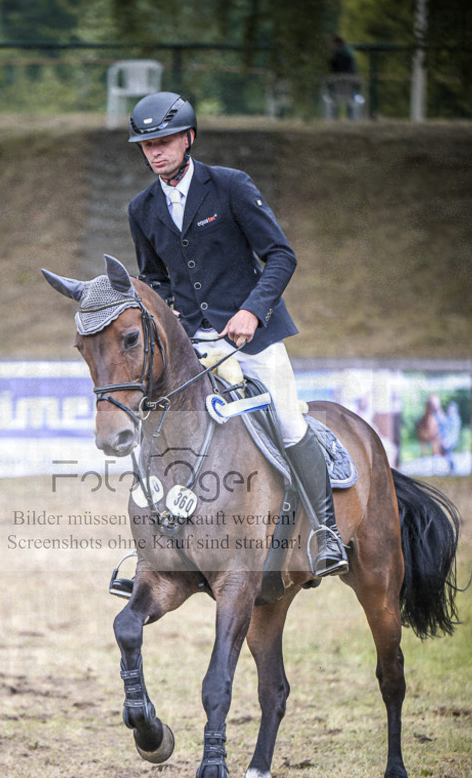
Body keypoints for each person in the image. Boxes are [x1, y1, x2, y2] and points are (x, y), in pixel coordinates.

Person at [126, 92, 348, 577]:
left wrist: (252, 311)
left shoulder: (229, 186)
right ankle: (152, 550)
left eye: (164, 141)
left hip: (252, 337)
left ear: (188, 138)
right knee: (154, 427)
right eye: (146, 145)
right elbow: (155, 279)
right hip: (191, 343)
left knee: (289, 422)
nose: (155, 152)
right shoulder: (141, 209)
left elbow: (281, 255)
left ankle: (326, 534)